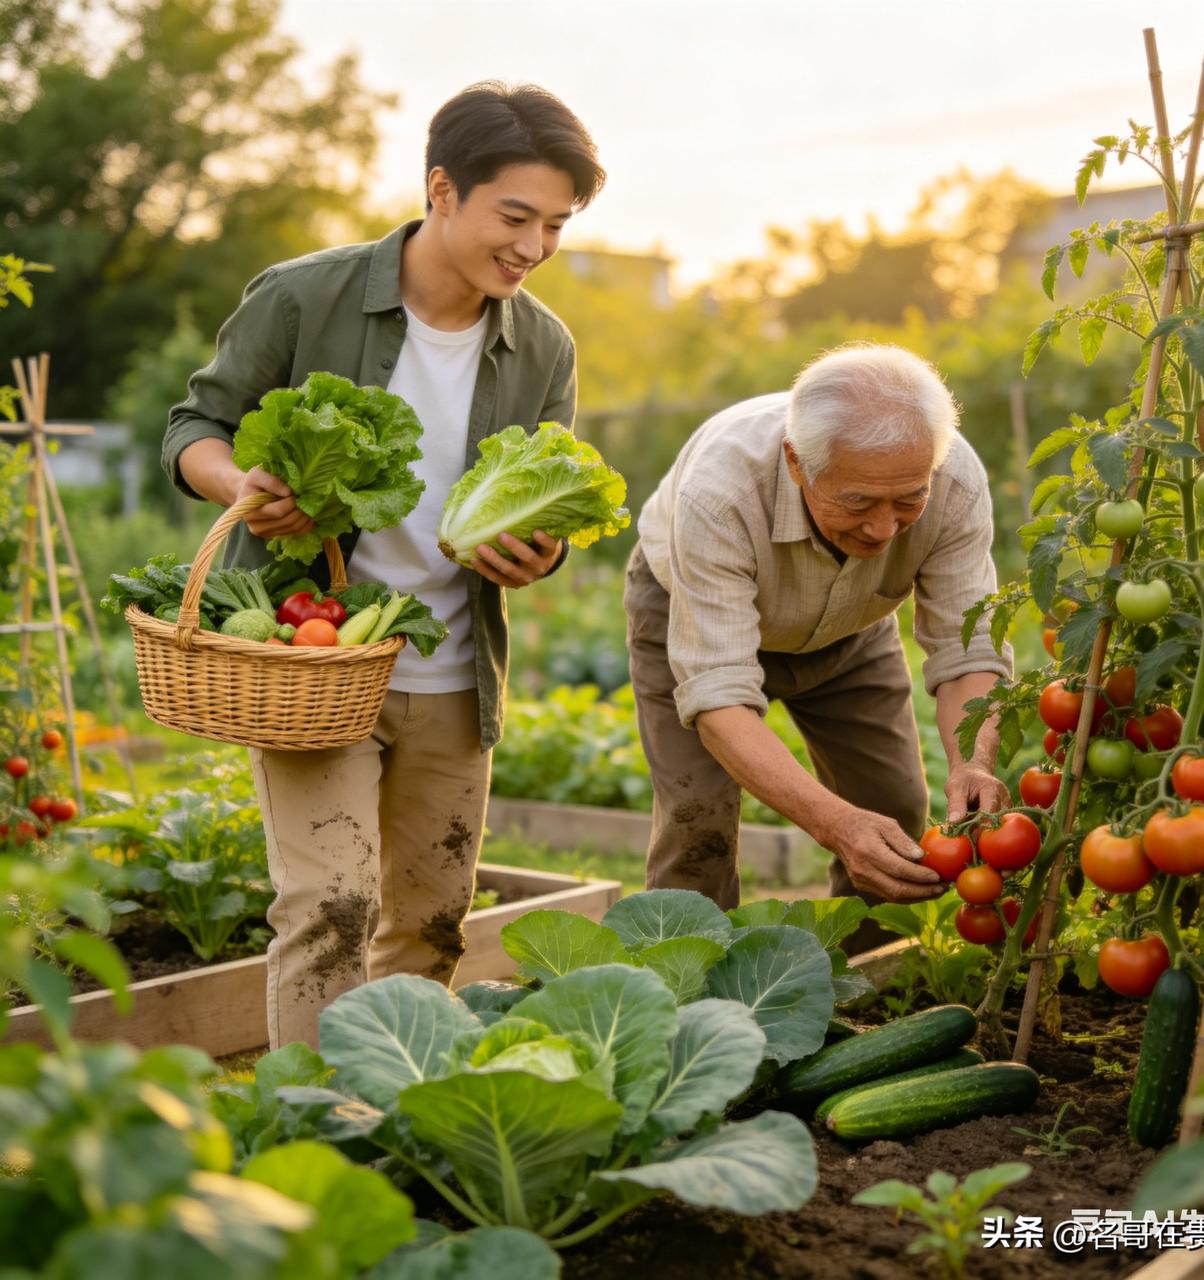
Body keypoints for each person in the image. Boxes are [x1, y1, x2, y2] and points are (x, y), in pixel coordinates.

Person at [163, 82, 605, 1049]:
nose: (534, 248)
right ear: (442, 190)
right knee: (328, 905)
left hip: (451, 672)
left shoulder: (543, 347)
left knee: (432, 921)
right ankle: (310, 1134)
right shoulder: (303, 295)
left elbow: (554, 494)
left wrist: (538, 555)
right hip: (316, 662)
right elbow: (195, 424)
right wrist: (238, 481)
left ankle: (392, 1122)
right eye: (516, 216)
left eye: (557, 227)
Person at [625, 343, 1013, 925]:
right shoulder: (719, 491)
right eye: (857, 501)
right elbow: (720, 696)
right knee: (696, 823)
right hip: (691, 617)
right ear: (796, 461)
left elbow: (968, 647)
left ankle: (860, 984)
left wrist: (975, 761)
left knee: (894, 807)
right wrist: (835, 826)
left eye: (909, 499)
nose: (884, 528)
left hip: (851, 629)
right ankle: (687, 997)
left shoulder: (952, 476)